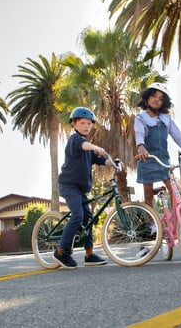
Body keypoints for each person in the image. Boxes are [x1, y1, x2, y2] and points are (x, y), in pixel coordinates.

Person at [52, 107, 112, 269]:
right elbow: (84, 146)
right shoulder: (75, 140)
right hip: (68, 186)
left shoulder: (87, 146)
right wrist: (94, 147)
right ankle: (61, 251)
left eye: (89, 124)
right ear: (74, 124)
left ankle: (89, 254)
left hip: (81, 189)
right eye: (82, 123)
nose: (86, 126)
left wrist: (113, 163)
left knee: (88, 218)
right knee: (78, 215)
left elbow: (101, 160)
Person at [134, 82, 181, 233]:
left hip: (164, 161)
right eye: (154, 96)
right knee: (148, 194)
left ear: (164, 103)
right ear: (147, 98)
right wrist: (141, 147)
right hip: (147, 159)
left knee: (174, 190)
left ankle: (180, 222)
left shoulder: (166, 118)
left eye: (161, 98)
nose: (157, 100)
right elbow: (139, 133)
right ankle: (153, 225)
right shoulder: (141, 118)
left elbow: (176, 134)